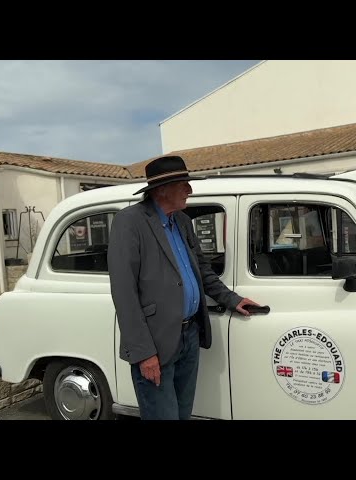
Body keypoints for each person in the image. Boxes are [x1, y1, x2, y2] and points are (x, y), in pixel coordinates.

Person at [107, 154, 260, 420]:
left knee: (183, 413)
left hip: (189, 335)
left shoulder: (182, 222)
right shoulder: (130, 222)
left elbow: (201, 270)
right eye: (183, 184)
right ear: (162, 189)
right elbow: (124, 292)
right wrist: (144, 353)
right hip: (156, 342)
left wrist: (232, 299)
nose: (190, 189)